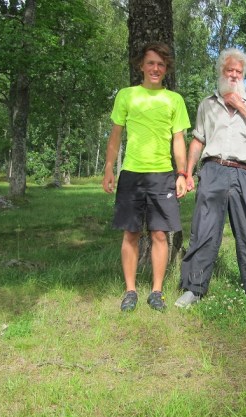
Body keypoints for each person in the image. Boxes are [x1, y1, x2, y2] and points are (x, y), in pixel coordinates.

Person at [175, 48, 246, 308]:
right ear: (221, 71)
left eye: (239, 71)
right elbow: (198, 140)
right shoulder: (207, 104)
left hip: (244, 172)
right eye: (230, 70)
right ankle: (193, 288)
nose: (234, 75)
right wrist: (188, 172)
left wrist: (239, 104)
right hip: (212, 170)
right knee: (203, 230)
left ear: (244, 75)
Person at [102, 42, 190, 312]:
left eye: (161, 64)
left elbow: (178, 140)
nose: (155, 68)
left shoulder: (174, 100)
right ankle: (130, 291)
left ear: (166, 69)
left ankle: (156, 292)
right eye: (150, 63)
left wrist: (182, 173)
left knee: (160, 234)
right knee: (130, 233)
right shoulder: (126, 95)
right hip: (131, 174)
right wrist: (109, 168)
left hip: (162, 175)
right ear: (141, 65)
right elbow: (115, 135)